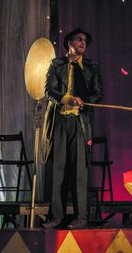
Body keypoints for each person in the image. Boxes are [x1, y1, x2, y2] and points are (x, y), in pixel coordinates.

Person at [43, 28, 103, 229]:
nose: (82, 43)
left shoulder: (91, 67)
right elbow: (49, 90)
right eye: (79, 39)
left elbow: (97, 94)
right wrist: (65, 98)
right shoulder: (56, 64)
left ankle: (81, 217)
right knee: (58, 170)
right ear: (69, 42)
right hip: (60, 121)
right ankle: (57, 215)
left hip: (80, 123)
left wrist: (85, 102)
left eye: (85, 40)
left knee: (79, 172)